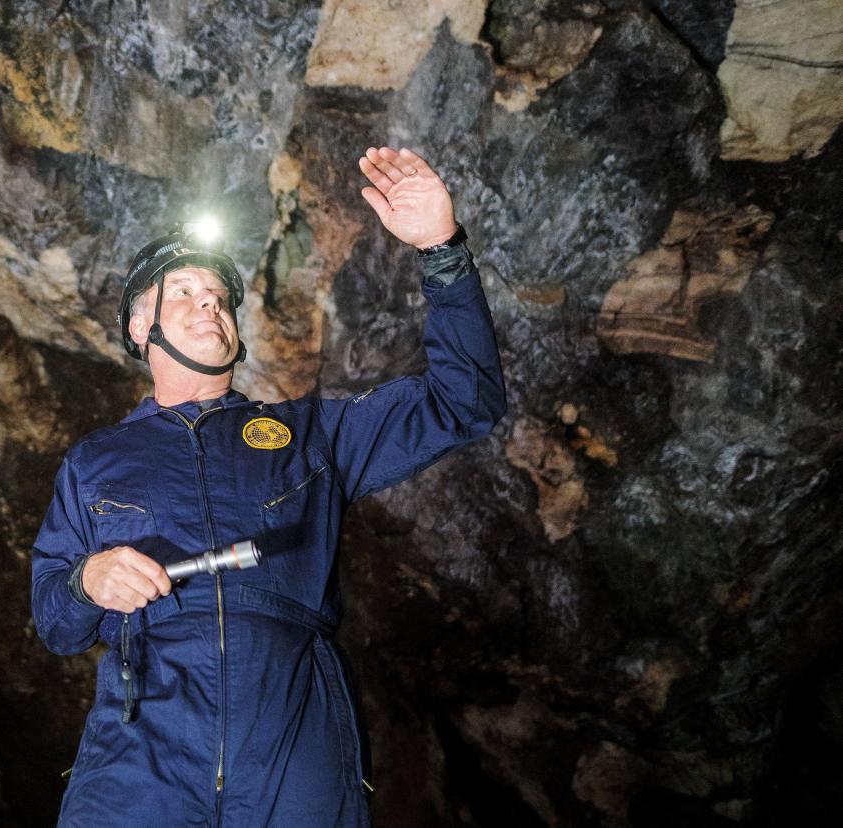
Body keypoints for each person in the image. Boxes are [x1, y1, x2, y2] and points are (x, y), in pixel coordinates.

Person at [31, 147, 506, 826]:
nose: (210, 305)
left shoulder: (309, 433)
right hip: (143, 746)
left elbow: (465, 403)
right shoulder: (95, 462)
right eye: (186, 291)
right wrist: (87, 582)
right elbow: (55, 621)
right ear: (142, 328)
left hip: (294, 726)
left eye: (220, 298)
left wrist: (442, 250)